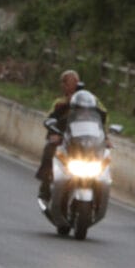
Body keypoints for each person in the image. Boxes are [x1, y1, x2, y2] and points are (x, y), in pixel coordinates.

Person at [35, 70, 88, 200]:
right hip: (63, 138)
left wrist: (105, 137)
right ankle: (45, 183)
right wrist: (54, 134)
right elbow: (50, 119)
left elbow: (102, 115)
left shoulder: (88, 102)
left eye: (75, 83)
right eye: (67, 83)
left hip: (82, 139)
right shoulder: (59, 103)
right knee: (49, 149)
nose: (71, 86)